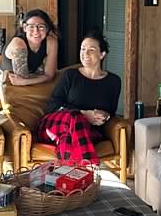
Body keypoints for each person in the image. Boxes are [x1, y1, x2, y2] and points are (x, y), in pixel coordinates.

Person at [37, 29, 121, 163]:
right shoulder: (70, 75)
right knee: (76, 117)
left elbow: (111, 111)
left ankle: (69, 174)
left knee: (68, 139)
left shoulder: (113, 81)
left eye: (91, 50)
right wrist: (83, 114)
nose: (85, 54)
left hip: (86, 131)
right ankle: (88, 166)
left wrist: (105, 116)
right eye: (83, 49)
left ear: (102, 54)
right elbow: (52, 105)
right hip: (54, 125)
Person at [0, 8, 59, 88]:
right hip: (7, 80)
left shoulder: (51, 42)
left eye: (41, 27)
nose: (36, 31)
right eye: (31, 27)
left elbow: (49, 76)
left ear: (47, 28)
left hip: (29, 77)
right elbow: (20, 79)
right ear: (24, 28)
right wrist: (40, 78)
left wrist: (26, 81)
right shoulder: (18, 44)